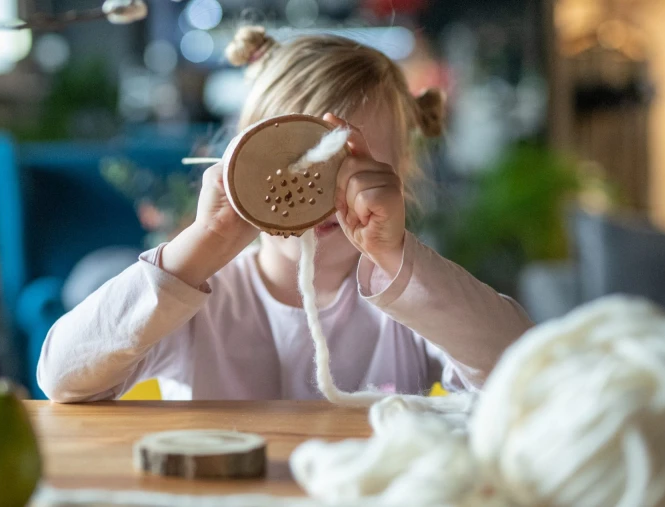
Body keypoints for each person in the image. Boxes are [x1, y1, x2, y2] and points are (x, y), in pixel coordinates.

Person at [36, 26, 533, 402]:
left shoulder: (410, 303)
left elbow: (526, 372)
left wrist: (397, 258)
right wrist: (200, 245)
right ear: (237, 159)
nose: (320, 192)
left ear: (396, 178)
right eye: (292, 164)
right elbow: (61, 378)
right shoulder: (198, 300)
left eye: (350, 166)